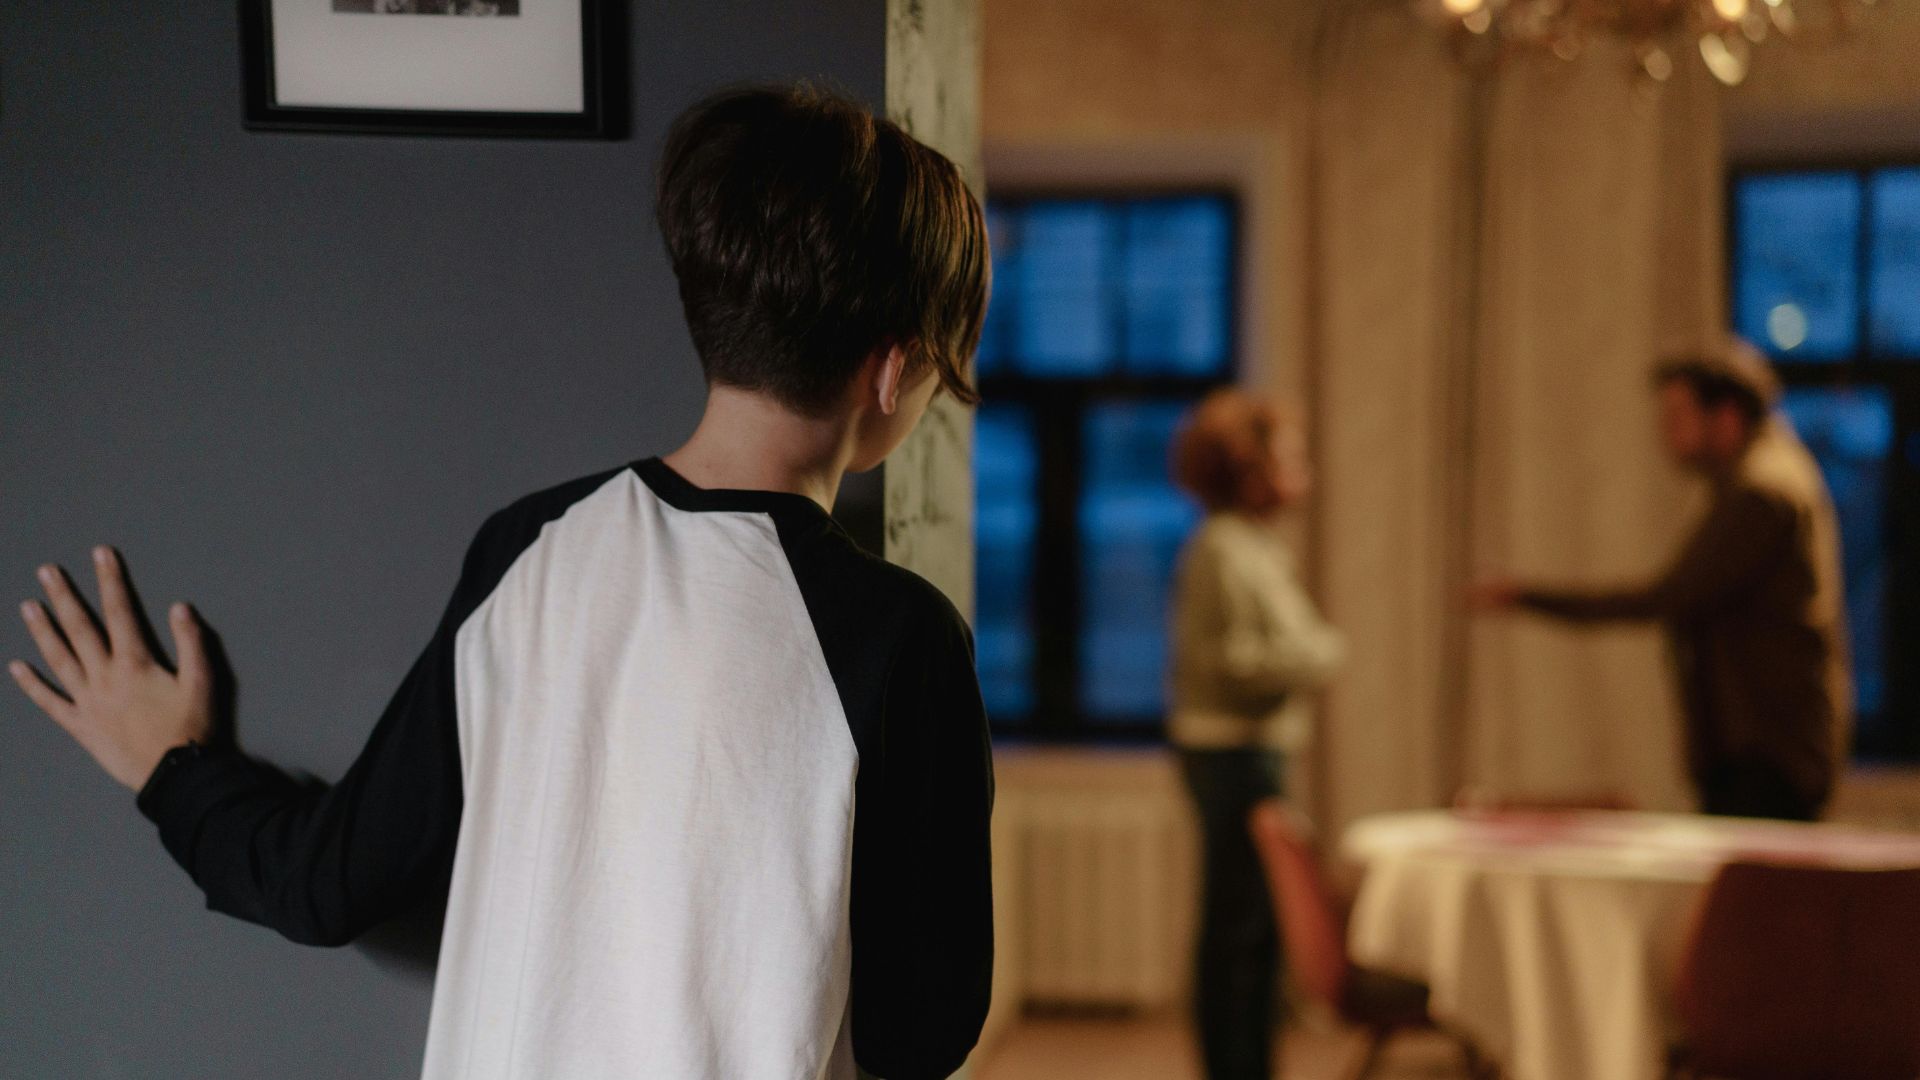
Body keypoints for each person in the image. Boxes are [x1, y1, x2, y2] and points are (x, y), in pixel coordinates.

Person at [8, 84, 994, 1080]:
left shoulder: (530, 548)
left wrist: (170, 767)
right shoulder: (901, 635)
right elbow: (922, 1033)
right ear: (894, 370)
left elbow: (326, 884)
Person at [1471, 336, 1851, 822]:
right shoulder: (1769, 477)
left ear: (1726, 417)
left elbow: (1668, 597)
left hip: (1767, 751)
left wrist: (1526, 597)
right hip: (1766, 745)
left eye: (1677, 415)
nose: (1665, 431)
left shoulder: (1763, 492)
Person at [1167, 389, 1346, 1080]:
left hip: (1252, 749)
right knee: (1238, 928)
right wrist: (1318, 655)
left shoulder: (1251, 546)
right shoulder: (1222, 549)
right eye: (1290, 459)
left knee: (1260, 927)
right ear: (1250, 470)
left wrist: (1314, 651)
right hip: (1230, 752)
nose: (1305, 473)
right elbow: (1227, 661)